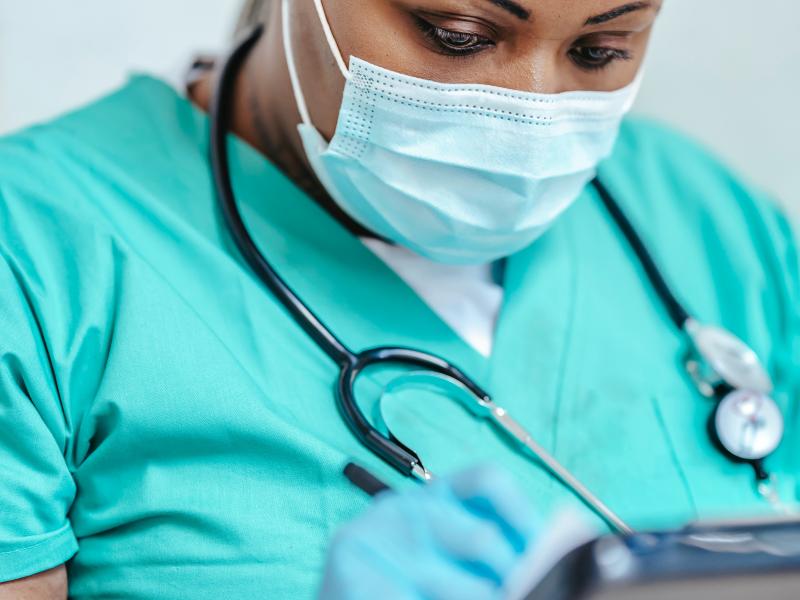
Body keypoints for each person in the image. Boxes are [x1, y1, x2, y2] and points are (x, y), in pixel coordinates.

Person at [0, 0, 797, 598]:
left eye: (600, 50)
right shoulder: (35, 250)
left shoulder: (708, 220)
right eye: (458, 33)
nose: (528, 113)